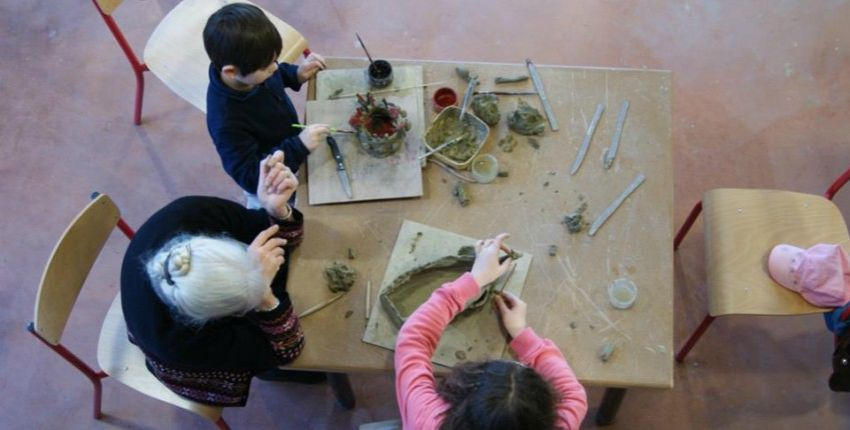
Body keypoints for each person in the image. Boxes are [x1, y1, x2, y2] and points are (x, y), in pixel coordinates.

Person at [121, 150, 317, 406]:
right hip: (178, 354)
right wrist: (266, 299)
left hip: (159, 297)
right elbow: (287, 349)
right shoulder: (181, 343)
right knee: (312, 369)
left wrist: (275, 211)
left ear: (218, 241)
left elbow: (264, 228)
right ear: (212, 317)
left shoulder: (192, 214)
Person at [394, 233, 588, 430]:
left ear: (459, 398)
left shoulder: (428, 420)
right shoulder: (563, 425)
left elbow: (413, 341)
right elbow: (573, 394)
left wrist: (475, 279)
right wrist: (522, 334)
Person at [203, 3, 330, 208]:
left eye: (275, 60)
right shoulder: (226, 121)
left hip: (290, 144)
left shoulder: (252, 69)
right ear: (231, 72)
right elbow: (252, 178)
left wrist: (295, 75)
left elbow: (274, 74)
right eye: (267, 66)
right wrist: (298, 147)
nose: (275, 68)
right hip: (272, 180)